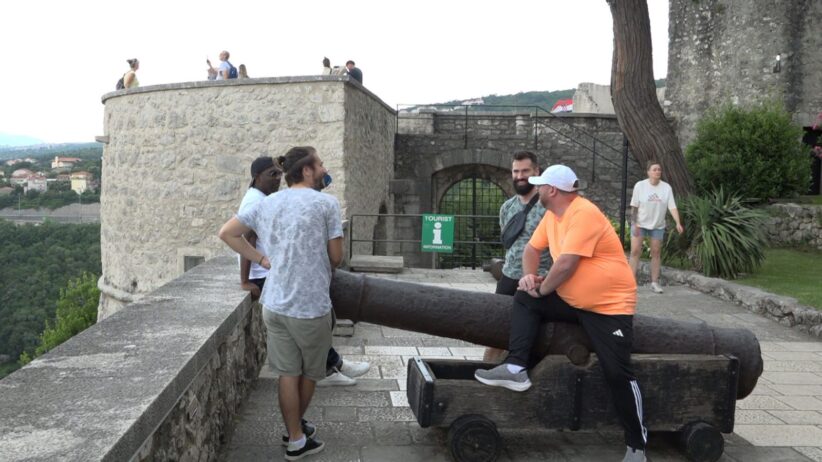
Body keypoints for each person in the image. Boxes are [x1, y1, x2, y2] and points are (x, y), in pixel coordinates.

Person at [474, 165, 647, 462]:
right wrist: (529, 279)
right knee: (524, 297)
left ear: (552, 190)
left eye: (541, 186)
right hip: (572, 300)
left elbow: (566, 264)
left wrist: (542, 289)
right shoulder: (552, 216)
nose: (537, 189)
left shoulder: (584, 213)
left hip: (608, 308)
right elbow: (531, 250)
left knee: (618, 372)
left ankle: (637, 447)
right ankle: (516, 367)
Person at [220, 146, 343, 460]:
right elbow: (336, 258)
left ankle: (295, 435)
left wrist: (262, 259)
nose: (324, 169)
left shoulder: (267, 203)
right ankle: (295, 436)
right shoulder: (327, 204)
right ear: (307, 170)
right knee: (310, 373)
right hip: (310, 305)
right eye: (320, 164)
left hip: (274, 303)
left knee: (287, 373)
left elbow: (228, 233)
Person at [238, 157, 370, 388]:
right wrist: (246, 278)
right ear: (257, 177)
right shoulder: (256, 201)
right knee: (312, 313)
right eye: (272, 174)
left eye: (279, 174)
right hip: (267, 275)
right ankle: (325, 369)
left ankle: (331, 364)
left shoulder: (267, 198)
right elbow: (245, 237)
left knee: (320, 312)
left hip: (275, 272)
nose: (277, 179)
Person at [484, 151, 552, 363]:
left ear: (536, 172)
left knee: (534, 334)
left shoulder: (547, 207)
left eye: (525, 171)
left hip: (538, 279)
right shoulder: (507, 207)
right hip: (509, 277)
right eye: (516, 171)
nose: (520, 176)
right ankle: (488, 370)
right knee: (493, 334)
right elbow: (509, 243)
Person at [628, 161, 684, 294]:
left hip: (657, 226)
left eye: (659, 169)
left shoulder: (666, 188)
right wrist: (634, 223)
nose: (657, 171)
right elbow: (634, 206)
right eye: (654, 169)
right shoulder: (640, 186)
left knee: (656, 253)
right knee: (635, 252)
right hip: (640, 224)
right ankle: (630, 283)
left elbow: (672, 207)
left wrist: (677, 222)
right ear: (648, 172)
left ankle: (654, 283)